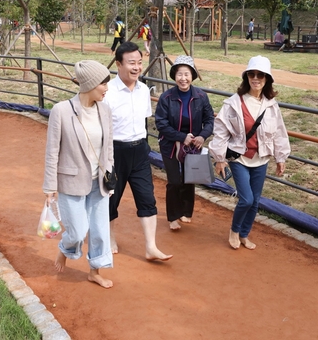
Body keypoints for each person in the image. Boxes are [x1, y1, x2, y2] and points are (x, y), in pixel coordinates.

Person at [43, 60, 115, 288]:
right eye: (104, 83)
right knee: (77, 231)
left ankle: (95, 270)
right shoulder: (62, 110)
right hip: (71, 180)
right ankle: (65, 249)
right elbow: (52, 151)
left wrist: (110, 178)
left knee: (100, 230)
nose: (106, 88)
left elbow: (109, 148)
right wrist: (49, 187)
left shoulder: (105, 109)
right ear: (91, 84)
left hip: (98, 182)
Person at [210, 56, 291, 250]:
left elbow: (279, 131)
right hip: (239, 158)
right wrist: (219, 159)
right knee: (246, 199)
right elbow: (220, 131)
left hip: (261, 159)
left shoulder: (271, 105)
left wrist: (281, 157)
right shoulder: (233, 103)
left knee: (255, 201)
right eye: (252, 74)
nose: (256, 78)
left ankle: (244, 234)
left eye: (260, 75)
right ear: (246, 76)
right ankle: (234, 231)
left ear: (267, 79)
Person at [104, 41, 172, 262]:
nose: (136, 67)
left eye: (139, 63)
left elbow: (143, 122)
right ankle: (110, 237)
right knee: (110, 199)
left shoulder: (143, 90)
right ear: (118, 64)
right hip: (114, 151)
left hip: (140, 150)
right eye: (131, 63)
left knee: (147, 197)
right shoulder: (107, 92)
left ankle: (151, 246)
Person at [155, 55, 214, 231]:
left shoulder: (201, 96)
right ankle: (173, 216)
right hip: (170, 145)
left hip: (193, 147)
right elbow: (161, 123)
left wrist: (202, 136)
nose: (183, 78)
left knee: (189, 179)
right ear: (174, 76)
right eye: (179, 74)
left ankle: (186, 212)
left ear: (192, 75)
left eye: (187, 74)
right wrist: (181, 137)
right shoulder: (166, 98)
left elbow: (209, 119)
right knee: (174, 181)